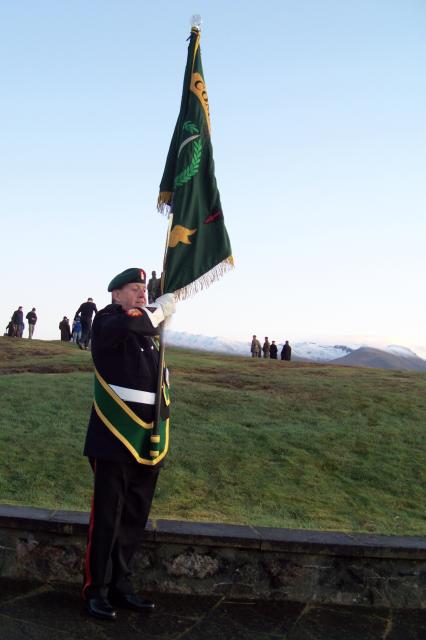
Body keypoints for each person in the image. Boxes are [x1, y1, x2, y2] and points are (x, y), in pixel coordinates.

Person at [82, 267, 176, 621]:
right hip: (114, 438)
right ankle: (95, 590)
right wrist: (161, 309)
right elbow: (135, 322)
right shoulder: (108, 322)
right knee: (107, 518)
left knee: (134, 517)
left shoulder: (147, 337)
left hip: (146, 440)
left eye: (144, 290)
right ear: (115, 294)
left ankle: (122, 585)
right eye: (134, 289)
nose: (142, 294)